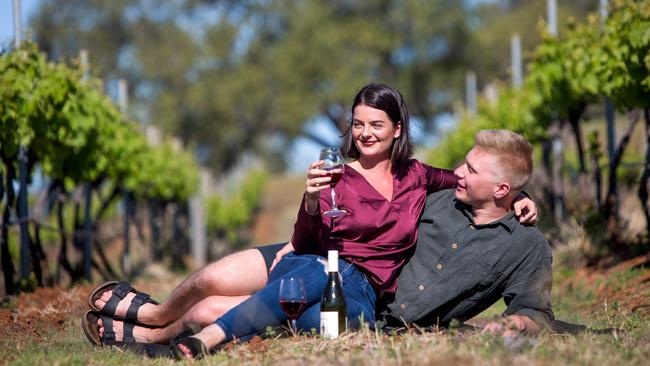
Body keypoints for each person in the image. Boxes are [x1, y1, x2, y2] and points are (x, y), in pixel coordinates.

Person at [85, 84, 536, 351]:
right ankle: (154, 313)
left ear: (397, 129)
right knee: (208, 279)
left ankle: (151, 340)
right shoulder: (334, 173)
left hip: (344, 277)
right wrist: (311, 200)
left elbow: (477, 183)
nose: (365, 134)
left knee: (212, 306)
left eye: (376, 125)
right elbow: (305, 235)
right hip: (305, 254)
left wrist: (521, 197)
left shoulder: (418, 176)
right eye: (358, 124)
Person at [377, 130, 553, 335]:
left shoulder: (527, 245)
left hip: (417, 338)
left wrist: (517, 324)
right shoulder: (432, 199)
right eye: (465, 163)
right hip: (359, 309)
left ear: (501, 189)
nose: (458, 172)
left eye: (471, 170)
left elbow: (536, 313)